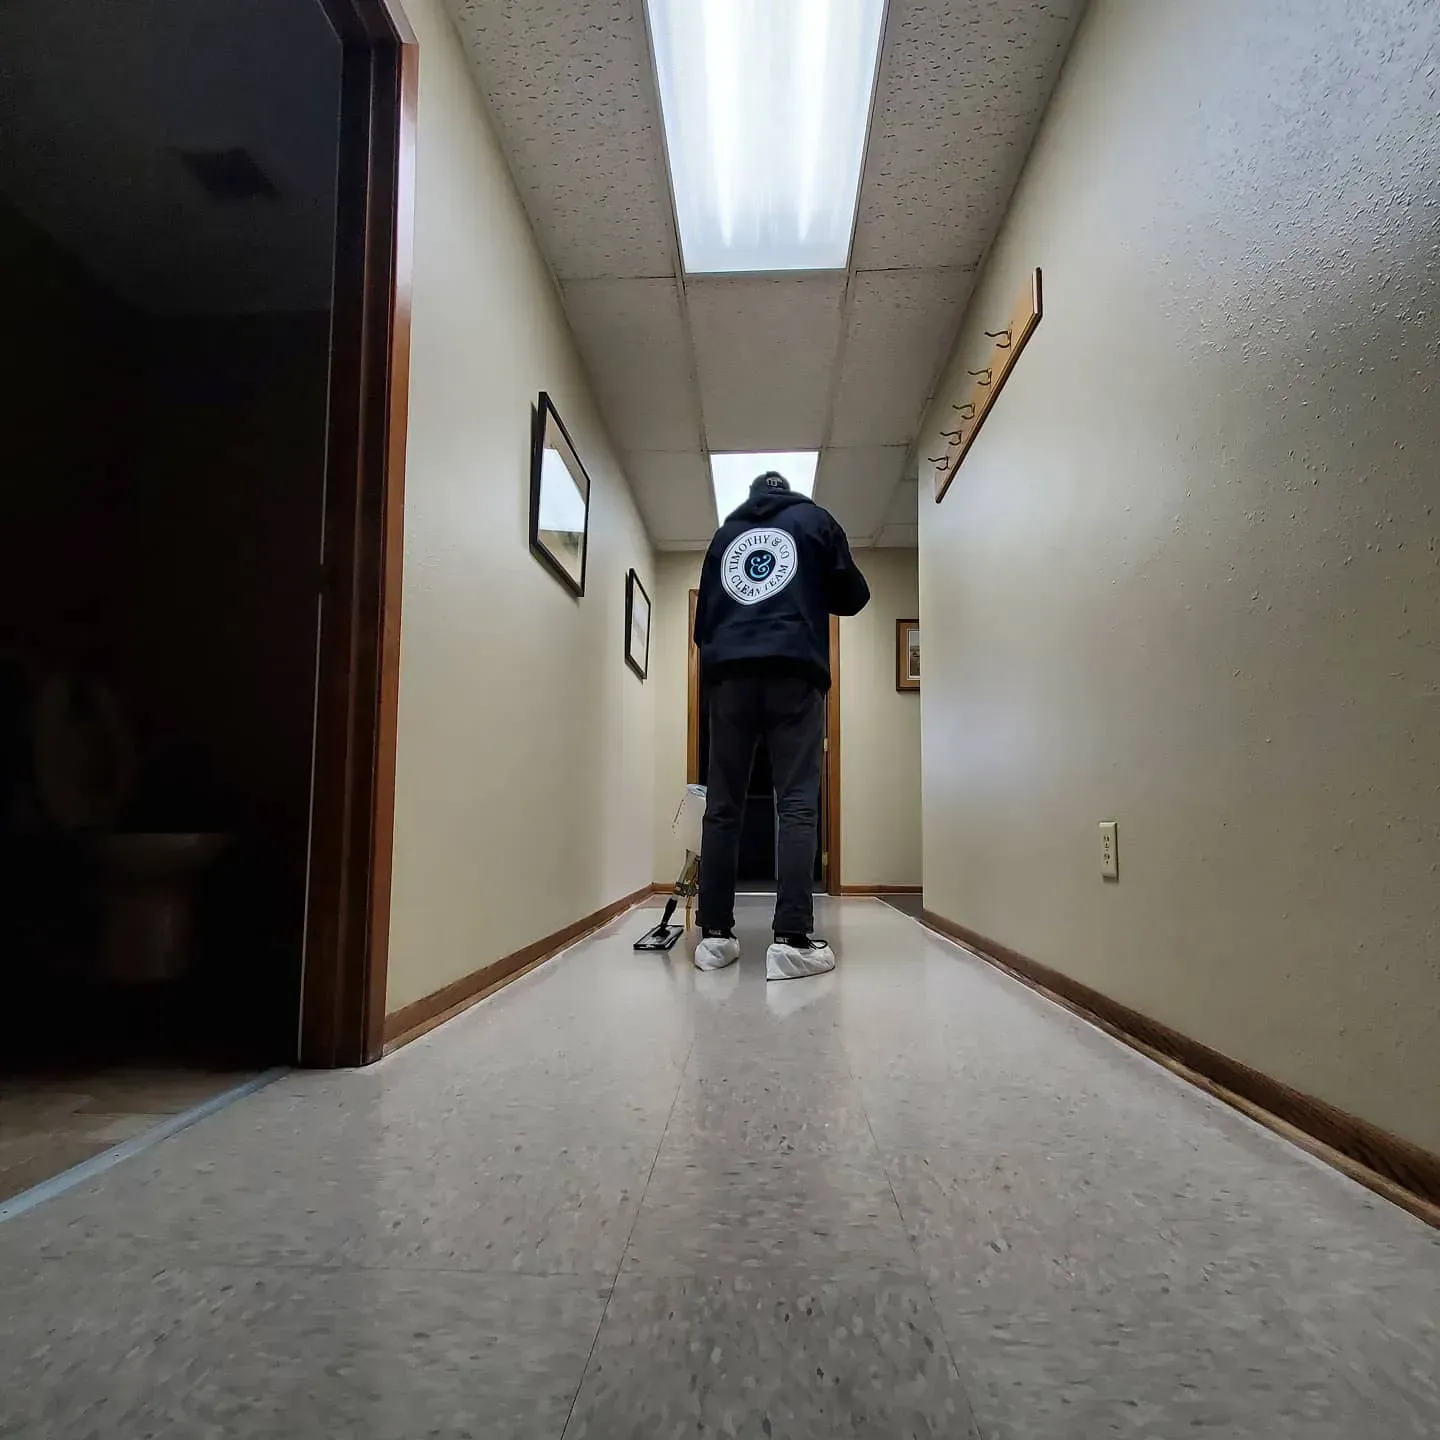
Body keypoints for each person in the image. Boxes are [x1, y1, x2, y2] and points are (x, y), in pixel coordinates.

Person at [691, 471, 870, 979]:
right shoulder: (815, 521)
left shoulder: (725, 536)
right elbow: (854, 596)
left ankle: (715, 938)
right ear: (791, 491)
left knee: (723, 806)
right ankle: (791, 940)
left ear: (750, 497)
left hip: (730, 679)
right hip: (794, 672)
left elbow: (703, 627)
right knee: (795, 801)